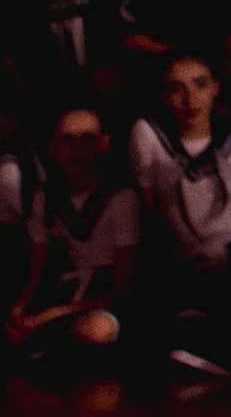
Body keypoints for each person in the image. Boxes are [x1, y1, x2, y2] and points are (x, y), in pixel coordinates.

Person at [128, 51, 231, 377]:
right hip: (179, 264)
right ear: (162, 94)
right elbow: (150, 207)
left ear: (216, 87)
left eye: (200, 85)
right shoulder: (148, 135)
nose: (190, 99)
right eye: (176, 88)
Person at [4, 100, 140, 373]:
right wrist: (21, 308)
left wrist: (47, 316)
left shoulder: (121, 197)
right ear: (52, 148)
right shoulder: (46, 198)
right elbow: (37, 270)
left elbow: (123, 288)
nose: (76, 149)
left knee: (94, 331)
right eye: (66, 140)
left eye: (87, 139)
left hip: (110, 297)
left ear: (103, 143)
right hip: (69, 291)